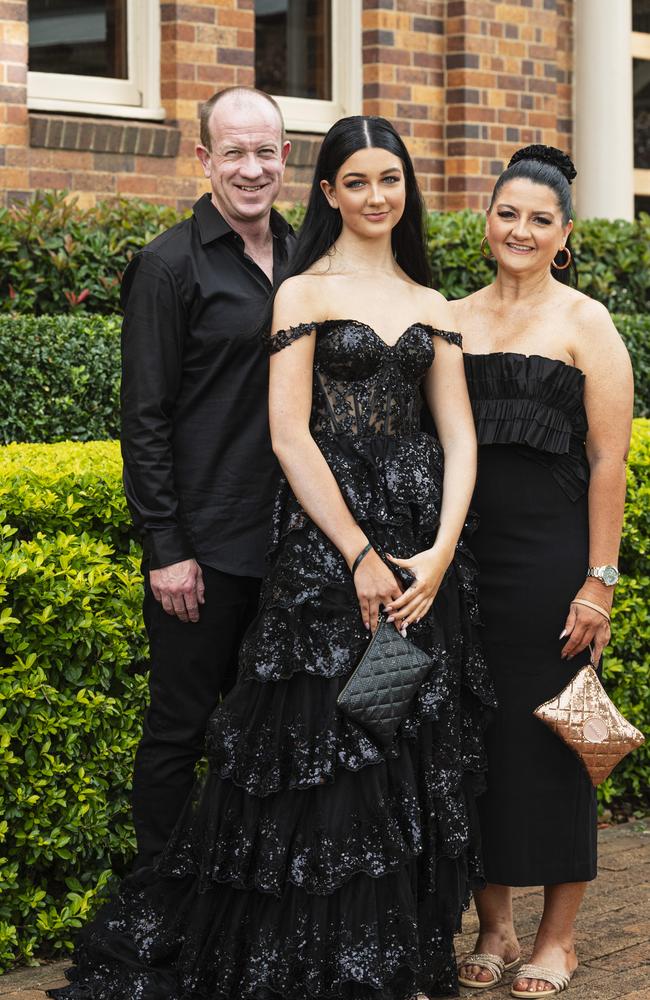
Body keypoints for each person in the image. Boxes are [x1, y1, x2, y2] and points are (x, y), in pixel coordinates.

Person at [47, 115, 495, 1000]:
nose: (375, 196)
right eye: (357, 181)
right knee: (322, 742)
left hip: (420, 552)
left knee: (398, 735)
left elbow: (460, 436)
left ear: (409, 189)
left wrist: (438, 552)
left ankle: (389, 948)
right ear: (328, 191)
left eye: (390, 180)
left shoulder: (433, 304)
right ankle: (312, 954)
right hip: (330, 553)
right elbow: (291, 438)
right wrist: (362, 555)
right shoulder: (301, 291)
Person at [450, 146, 633, 998]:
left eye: (539, 219)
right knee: (475, 743)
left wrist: (600, 579)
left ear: (564, 236)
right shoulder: (448, 318)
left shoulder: (586, 322)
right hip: (464, 564)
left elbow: (608, 462)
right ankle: (495, 925)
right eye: (507, 213)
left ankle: (556, 939)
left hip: (555, 564)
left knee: (559, 741)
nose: (520, 230)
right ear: (486, 219)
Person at [120, 86, 294, 869]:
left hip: (294, 547)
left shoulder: (307, 257)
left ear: (287, 158)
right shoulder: (166, 266)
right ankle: (163, 904)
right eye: (235, 152)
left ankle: (246, 906)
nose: (252, 168)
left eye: (266, 151)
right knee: (179, 730)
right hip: (206, 551)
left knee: (273, 732)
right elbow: (144, 418)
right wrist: (166, 548)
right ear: (204, 159)